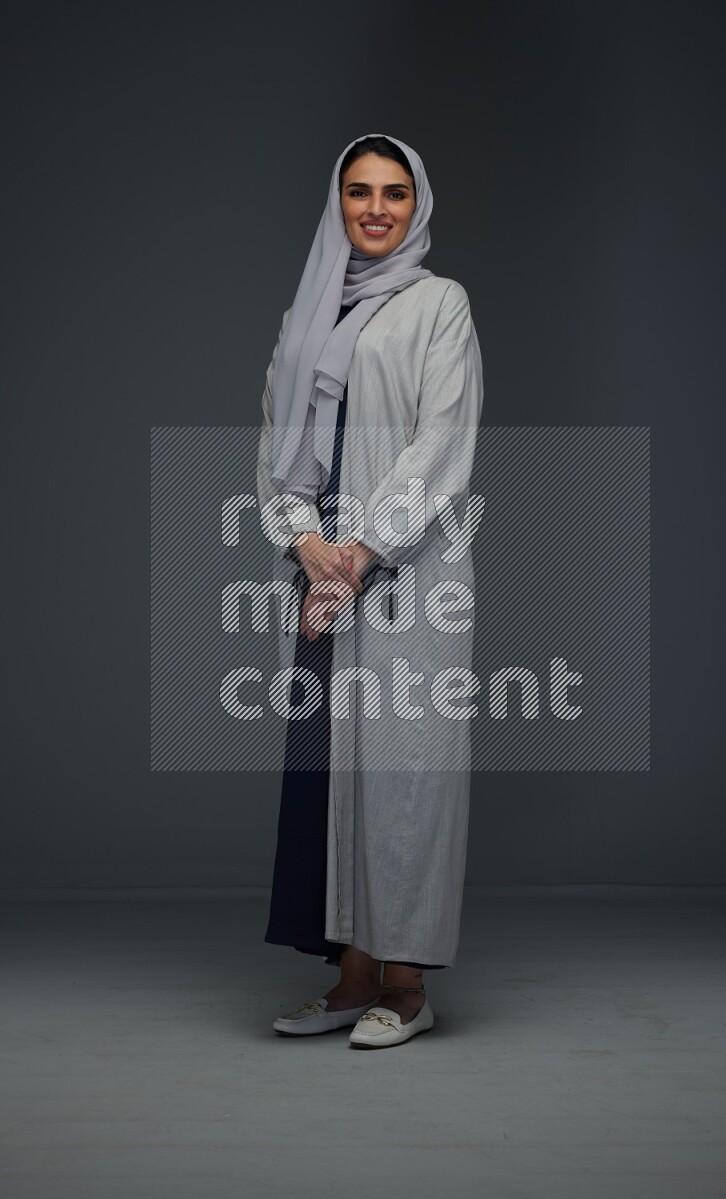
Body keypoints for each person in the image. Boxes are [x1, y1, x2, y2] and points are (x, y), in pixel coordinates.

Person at [255, 133, 483, 1048]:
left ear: (416, 204)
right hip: (320, 577)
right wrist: (305, 542)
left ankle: (409, 985)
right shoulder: (306, 314)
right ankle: (350, 977)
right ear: (338, 202)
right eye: (359, 192)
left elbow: (442, 442)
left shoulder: (440, 306)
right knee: (332, 774)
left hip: (408, 575)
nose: (377, 209)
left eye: (394, 192)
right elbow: (276, 446)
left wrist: (360, 550)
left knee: (405, 774)